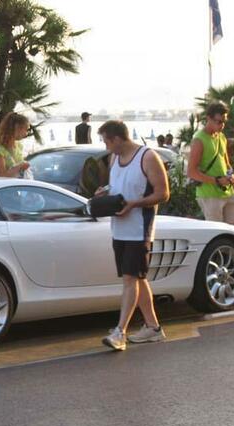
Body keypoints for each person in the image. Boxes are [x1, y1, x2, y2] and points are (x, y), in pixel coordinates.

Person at [96, 120, 170, 351]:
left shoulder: (147, 157)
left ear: (117, 139)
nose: (106, 147)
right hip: (119, 228)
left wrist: (135, 203)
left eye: (107, 141)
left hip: (139, 229)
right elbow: (119, 186)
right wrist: (105, 193)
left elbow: (163, 193)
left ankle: (120, 332)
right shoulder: (114, 159)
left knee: (130, 279)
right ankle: (153, 328)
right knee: (137, 278)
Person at [187, 102, 234, 226]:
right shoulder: (199, 140)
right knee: (216, 233)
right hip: (209, 194)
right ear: (208, 119)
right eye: (219, 122)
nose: (222, 125)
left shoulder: (221, 137)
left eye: (224, 122)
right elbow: (191, 172)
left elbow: (227, 165)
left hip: (228, 191)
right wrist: (216, 181)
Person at [0, 112, 30, 177]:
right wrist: (20, 166)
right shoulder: (0, 150)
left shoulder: (19, 146)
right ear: (17, 129)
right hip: (9, 186)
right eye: (25, 129)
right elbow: (2, 175)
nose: (26, 133)